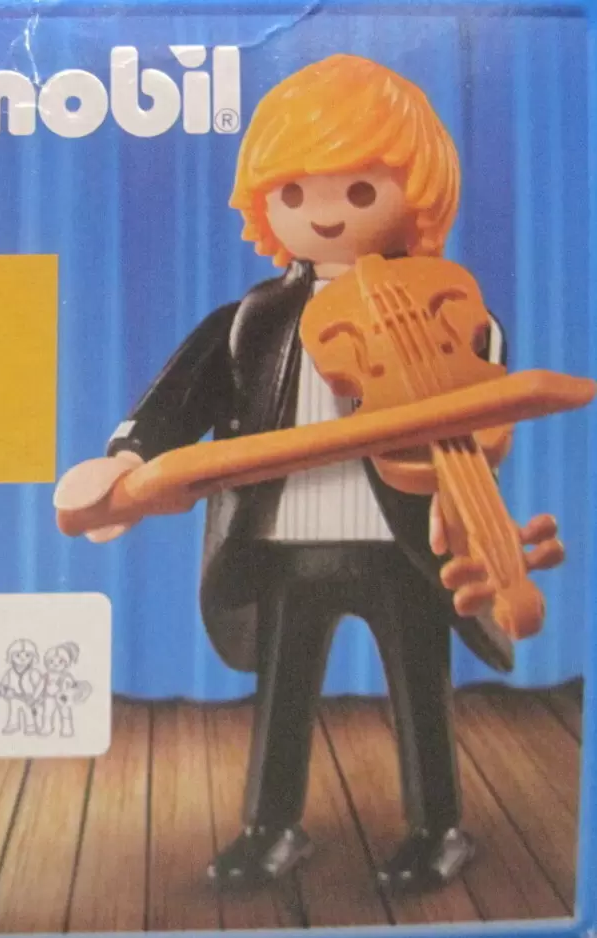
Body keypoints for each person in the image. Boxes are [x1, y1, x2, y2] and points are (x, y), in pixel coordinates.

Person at [54, 54, 558, 894]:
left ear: (419, 193)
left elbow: (483, 398)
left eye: (360, 190)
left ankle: (438, 827)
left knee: (420, 686)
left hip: (402, 541)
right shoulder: (252, 320)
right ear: (264, 205)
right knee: (283, 693)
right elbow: (182, 395)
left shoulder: (449, 307)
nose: (326, 213)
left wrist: (469, 435)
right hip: (283, 541)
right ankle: (270, 827)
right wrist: (129, 458)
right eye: (293, 192)